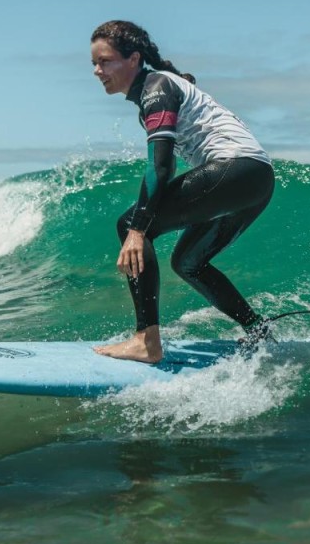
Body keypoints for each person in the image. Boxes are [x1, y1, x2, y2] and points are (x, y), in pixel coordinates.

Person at [90, 20, 275, 363]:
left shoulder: (156, 87)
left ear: (133, 59)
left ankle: (147, 340)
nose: (98, 71)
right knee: (188, 262)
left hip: (237, 168)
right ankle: (258, 330)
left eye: (106, 61)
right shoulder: (157, 88)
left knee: (130, 223)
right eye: (94, 64)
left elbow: (162, 167)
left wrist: (137, 230)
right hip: (257, 178)